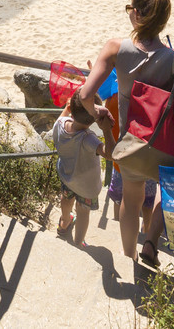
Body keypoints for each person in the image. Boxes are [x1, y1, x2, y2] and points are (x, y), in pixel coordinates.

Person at [74, 0, 174, 268]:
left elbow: (85, 95)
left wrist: (100, 115)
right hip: (157, 143)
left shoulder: (116, 48)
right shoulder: (173, 59)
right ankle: (151, 243)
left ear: (136, 13)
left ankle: (129, 257)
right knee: (155, 194)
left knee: (130, 203)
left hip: (129, 141)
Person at [53, 93, 108, 247]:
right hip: (86, 187)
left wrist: (67, 108)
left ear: (71, 109)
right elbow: (109, 154)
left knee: (66, 200)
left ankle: (64, 223)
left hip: (67, 177)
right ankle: (78, 242)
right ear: (94, 119)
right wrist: (107, 130)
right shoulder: (89, 139)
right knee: (83, 212)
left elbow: (62, 118)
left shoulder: (60, 124)